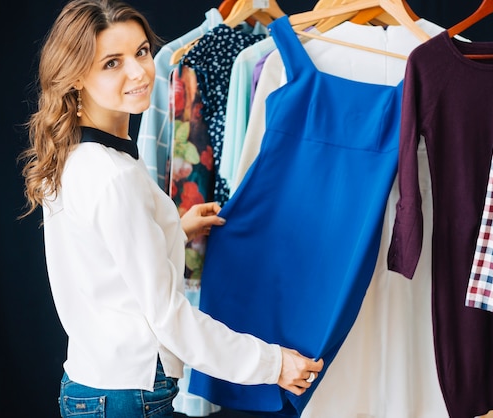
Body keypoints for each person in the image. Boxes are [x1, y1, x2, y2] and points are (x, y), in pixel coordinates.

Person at [18, 1, 323, 417]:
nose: (139, 72)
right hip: (128, 394)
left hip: (92, 384)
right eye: (112, 63)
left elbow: (106, 263)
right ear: (74, 77)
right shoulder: (113, 175)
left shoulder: (77, 156)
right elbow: (169, 317)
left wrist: (174, 229)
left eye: (141, 52)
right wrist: (274, 364)